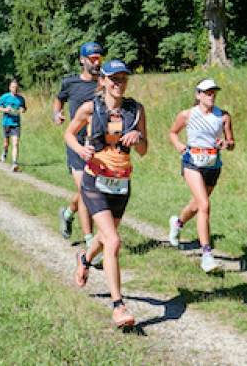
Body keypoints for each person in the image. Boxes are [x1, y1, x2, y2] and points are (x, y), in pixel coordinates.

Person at [66, 59, 147, 328]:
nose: (117, 84)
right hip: (94, 182)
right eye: (112, 78)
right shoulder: (90, 108)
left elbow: (145, 150)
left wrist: (138, 138)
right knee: (113, 242)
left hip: (121, 184)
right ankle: (118, 306)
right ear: (103, 81)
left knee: (103, 237)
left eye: (122, 79)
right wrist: (80, 151)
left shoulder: (136, 111)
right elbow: (69, 133)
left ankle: (85, 258)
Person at [167, 78, 235, 272]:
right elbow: (172, 132)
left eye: (213, 92)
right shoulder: (187, 115)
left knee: (197, 205)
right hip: (192, 163)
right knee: (205, 205)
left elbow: (232, 142)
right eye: (207, 92)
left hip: (213, 165)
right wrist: (179, 145)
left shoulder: (223, 116)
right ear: (198, 95)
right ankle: (206, 255)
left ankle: (177, 223)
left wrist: (226, 144)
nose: (211, 95)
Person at [54, 42, 103, 250]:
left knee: (90, 190)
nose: (96, 61)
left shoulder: (105, 82)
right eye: (92, 58)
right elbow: (59, 99)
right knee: (86, 189)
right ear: (82, 60)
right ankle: (90, 239)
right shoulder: (70, 83)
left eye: (99, 57)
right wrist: (57, 113)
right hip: (76, 143)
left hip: (98, 144)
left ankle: (67, 213)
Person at [0, 79, 27, 172]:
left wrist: (22, 110)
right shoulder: (5, 97)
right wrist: (4, 110)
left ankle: (14, 163)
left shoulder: (21, 98)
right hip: (6, 123)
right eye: (13, 87)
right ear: (10, 88)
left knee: (15, 143)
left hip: (16, 124)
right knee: (6, 144)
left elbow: (24, 108)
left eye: (16, 87)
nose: (15, 89)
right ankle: (4, 152)